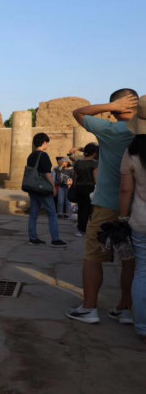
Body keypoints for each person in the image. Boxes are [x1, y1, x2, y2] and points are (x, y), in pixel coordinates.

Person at [66, 88, 139, 324]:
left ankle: (89, 308)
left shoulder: (112, 130)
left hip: (107, 204)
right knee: (130, 259)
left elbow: (78, 113)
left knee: (94, 257)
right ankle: (125, 308)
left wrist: (111, 108)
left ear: (117, 108)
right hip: (136, 207)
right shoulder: (140, 132)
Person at [119, 95, 146, 343]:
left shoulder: (132, 152)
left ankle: (142, 326)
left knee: (142, 273)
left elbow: (126, 190)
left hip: (140, 217)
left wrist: (122, 216)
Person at [26, 133, 66, 247]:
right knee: (52, 213)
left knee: (33, 214)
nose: (47, 145)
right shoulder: (43, 155)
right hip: (42, 188)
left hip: (32, 187)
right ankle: (55, 239)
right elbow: (47, 174)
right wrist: (53, 187)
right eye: (47, 143)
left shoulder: (31, 155)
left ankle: (32, 238)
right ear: (44, 143)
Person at [72, 143, 99, 237]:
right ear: (94, 153)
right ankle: (86, 228)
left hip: (79, 187)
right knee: (89, 209)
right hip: (89, 187)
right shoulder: (94, 164)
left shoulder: (78, 163)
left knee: (81, 208)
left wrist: (75, 187)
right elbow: (96, 178)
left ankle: (80, 228)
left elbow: (75, 177)